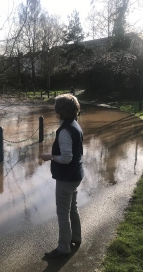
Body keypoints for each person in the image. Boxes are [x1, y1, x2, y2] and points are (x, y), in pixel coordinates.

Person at [39, 93, 84, 258]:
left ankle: (63, 248)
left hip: (67, 177)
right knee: (72, 208)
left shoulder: (65, 130)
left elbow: (66, 158)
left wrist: (50, 157)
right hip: (76, 174)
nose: (54, 109)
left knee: (63, 212)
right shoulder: (75, 125)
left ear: (61, 110)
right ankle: (76, 238)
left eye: (56, 107)